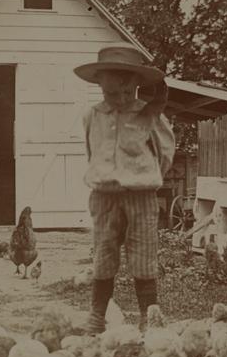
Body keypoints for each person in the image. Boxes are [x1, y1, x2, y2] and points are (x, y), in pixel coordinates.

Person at [74, 43, 175, 333]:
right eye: (110, 93)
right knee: (104, 254)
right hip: (104, 197)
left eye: (126, 92)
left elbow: (164, 155)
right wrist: (105, 176)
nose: (119, 98)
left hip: (140, 197)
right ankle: (97, 317)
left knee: (143, 254)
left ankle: (147, 317)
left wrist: (140, 178)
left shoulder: (149, 115)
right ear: (100, 86)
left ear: (137, 86)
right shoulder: (91, 116)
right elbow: (91, 152)